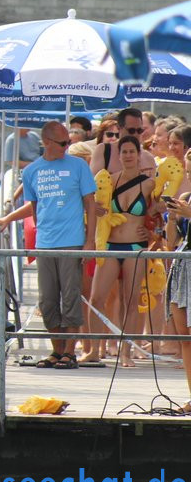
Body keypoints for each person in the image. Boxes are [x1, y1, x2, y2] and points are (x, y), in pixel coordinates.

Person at [0, 121, 96, 371]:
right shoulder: (32, 171)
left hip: (72, 242)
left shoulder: (79, 166)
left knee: (71, 297)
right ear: (47, 143)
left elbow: (90, 204)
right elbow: (34, 206)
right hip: (45, 243)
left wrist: (89, 240)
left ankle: (70, 352)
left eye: (69, 142)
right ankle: (56, 350)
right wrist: (8, 219)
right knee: (47, 300)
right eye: (63, 143)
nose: (67, 147)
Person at [83, 135, 159, 368]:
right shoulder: (108, 181)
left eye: (131, 152)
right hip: (110, 245)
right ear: (119, 156)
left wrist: (152, 234)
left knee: (130, 298)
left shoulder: (149, 183)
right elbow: (94, 211)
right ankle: (94, 349)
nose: (127, 156)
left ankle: (125, 352)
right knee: (97, 297)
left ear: (138, 155)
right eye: (123, 152)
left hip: (135, 246)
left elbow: (157, 215)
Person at [164, 185, 191, 411]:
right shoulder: (186, 198)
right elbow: (170, 242)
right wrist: (172, 218)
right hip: (183, 267)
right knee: (185, 338)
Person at [90, 107, 156, 177]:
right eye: (131, 130)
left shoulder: (148, 158)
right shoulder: (104, 151)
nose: (136, 134)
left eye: (139, 130)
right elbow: (92, 184)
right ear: (119, 128)